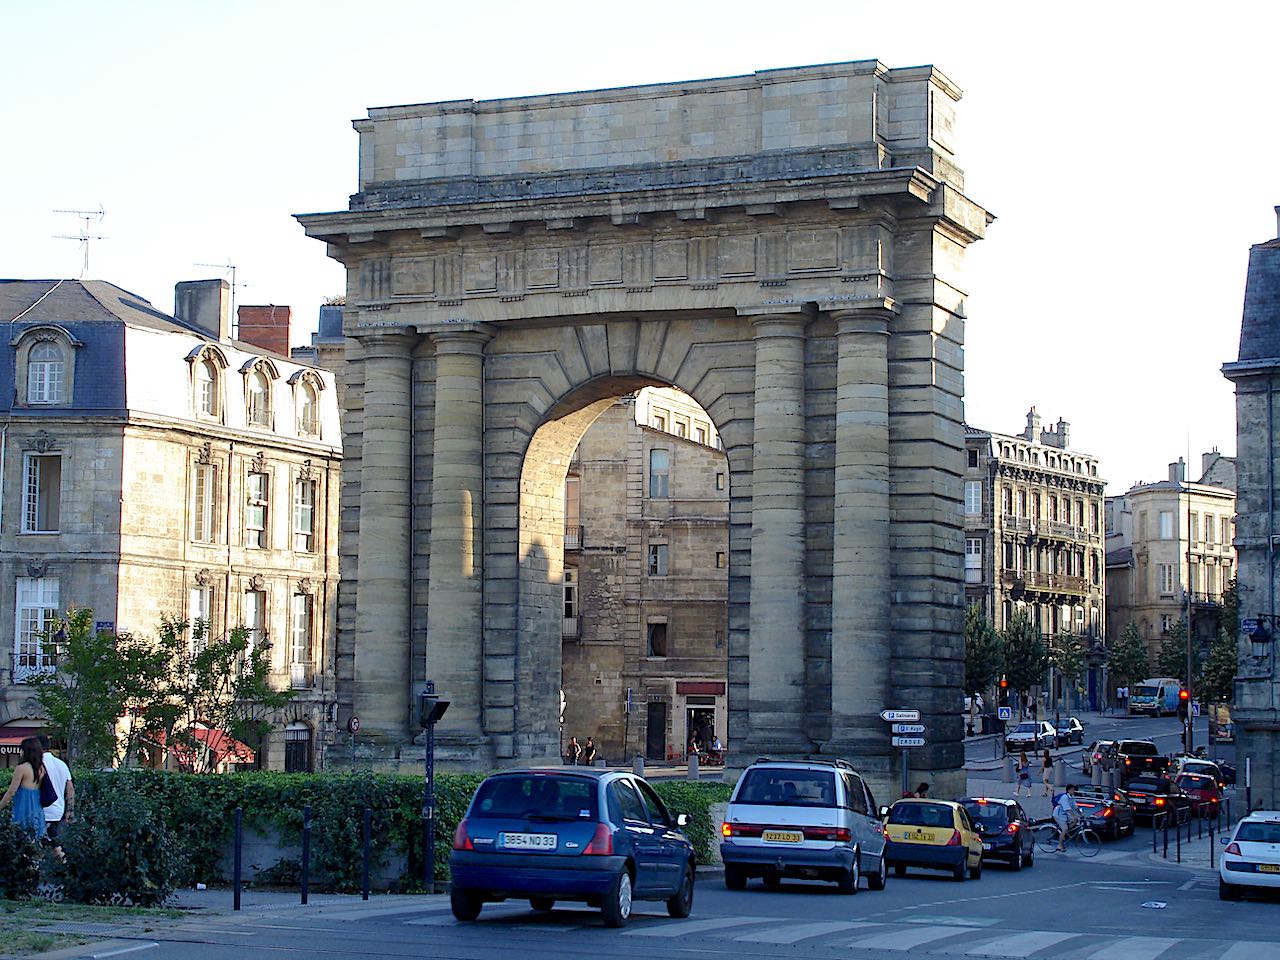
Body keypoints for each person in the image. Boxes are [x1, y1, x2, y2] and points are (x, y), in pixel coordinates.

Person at [0, 737, 49, 839]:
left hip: (23, 805)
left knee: (20, 837)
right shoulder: (41, 768)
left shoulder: (21, 768)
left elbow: (11, 791)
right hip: (37, 806)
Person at [38, 735, 74, 860]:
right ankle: (64, 866)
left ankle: (36, 872)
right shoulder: (61, 764)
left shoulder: (37, 764)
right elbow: (70, 788)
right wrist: (70, 809)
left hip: (42, 810)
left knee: (38, 844)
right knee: (53, 841)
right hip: (58, 810)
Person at [1053, 783, 1081, 852]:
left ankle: (1066, 833)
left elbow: (1075, 806)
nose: (1073, 791)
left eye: (1074, 790)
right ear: (1068, 790)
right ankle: (1059, 845)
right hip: (1058, 815)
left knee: (1076, 820)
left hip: (1065, 815)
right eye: (1072, 790)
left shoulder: (1072, 797)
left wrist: (1081, 813)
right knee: (1064, 829)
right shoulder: (1064, 797)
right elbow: (1067, 809)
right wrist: (1073, 815)